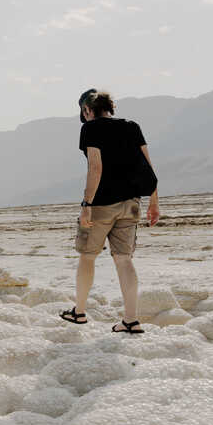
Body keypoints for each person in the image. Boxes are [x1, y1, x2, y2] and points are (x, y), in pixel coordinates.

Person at [60, 90, 160, 334]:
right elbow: (148, 165)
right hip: (131, 204)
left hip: (101, 205)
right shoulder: (131, 126)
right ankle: (131, 320)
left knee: (87, 256)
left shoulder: (90, 129)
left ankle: (80, 312)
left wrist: (86, 204)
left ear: (87, 110)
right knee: (124, 260)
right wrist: (154, 201)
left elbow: (95, 167)